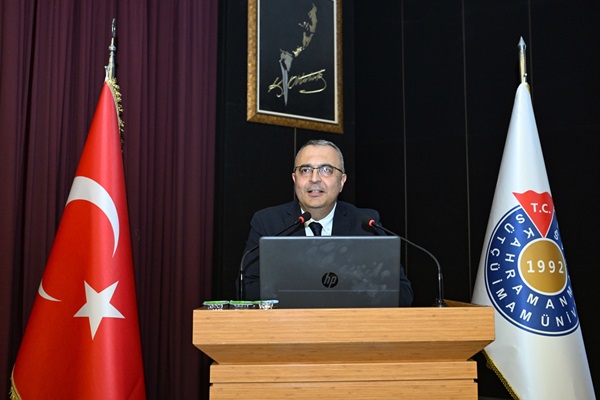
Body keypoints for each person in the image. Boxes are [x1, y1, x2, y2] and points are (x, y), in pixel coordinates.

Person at [240, 139, 413, 306]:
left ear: (342, 181)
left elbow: (402, 293)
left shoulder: (365, 224)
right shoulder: (268, 223)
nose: (314, 178)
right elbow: (247, 289)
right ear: (294, 179)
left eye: (326, 170)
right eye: (305, 170)